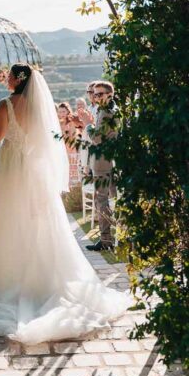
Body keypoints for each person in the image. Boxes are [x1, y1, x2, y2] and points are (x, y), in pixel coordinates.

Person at [0, 65, 130, 343]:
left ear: (17, 79)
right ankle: (43, 280)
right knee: (39, 220)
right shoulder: (38, 107)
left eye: (9, 75)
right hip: (34, 170)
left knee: (9, 220)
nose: (6, 79)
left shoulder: (6, 104)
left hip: (12, 169)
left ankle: (10, 279)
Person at [82, 81, 119, 251]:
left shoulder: (105, 113)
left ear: (109, 94)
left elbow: (97, 138)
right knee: (113, 198)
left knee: (102, 200)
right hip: (109, 161)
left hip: (103, 162)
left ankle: (106, 240)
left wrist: (88, 125)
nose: (95, 97)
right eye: (94, 94)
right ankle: (116, 236)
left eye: (99, 94)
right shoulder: (110, 109)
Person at [57, 102, 80, 187]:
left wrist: (64, 133)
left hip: (70, 150)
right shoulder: (58, 123)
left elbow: (73, 139)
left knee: (72, 174)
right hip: (61, 150)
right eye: (59, 112)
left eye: (63, 111)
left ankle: (73, 194)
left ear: (67, 112)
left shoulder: (71, 123)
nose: (61, 114)